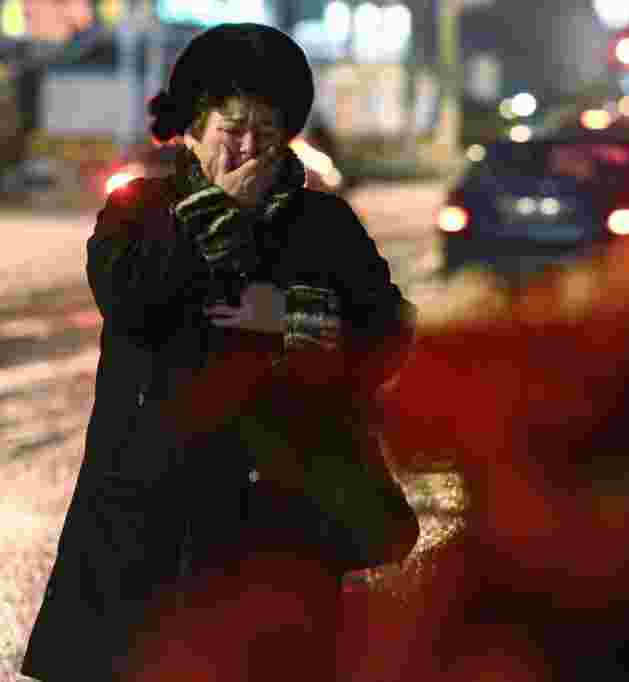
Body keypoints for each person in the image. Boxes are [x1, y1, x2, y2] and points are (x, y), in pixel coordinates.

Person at [20, 23, 419, 682]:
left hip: (284, 512)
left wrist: (295, 316)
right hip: (151, 514)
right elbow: (129, 301)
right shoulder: (139, 212)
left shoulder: (325, 224)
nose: (248, 148)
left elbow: (389, 330)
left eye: (267, 131)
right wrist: (222, 219)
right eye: (233, 129)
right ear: (193, 129)